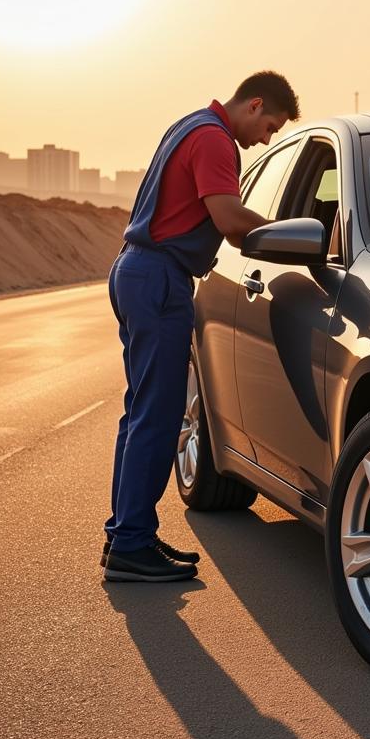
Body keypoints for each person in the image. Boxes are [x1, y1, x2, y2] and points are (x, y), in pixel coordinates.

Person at [102, 71, 300, 582]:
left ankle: (127, 534)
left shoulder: (187, 125)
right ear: (254, 105)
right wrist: (279, 232)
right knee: (158, 415)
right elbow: (230, 220)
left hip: (137, 269)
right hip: (159, 279)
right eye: (270, 126)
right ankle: (131, 545)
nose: (266, 138)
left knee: (140, 411)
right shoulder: (215, 139)